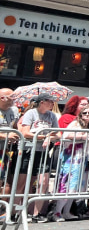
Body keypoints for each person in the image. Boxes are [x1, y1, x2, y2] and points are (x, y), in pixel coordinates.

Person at [18, 92, 61, 223]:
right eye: (50, 101)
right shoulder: (31, 113)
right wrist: (43, 136)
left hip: (43, 152)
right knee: (23, 182)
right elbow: (25, 132)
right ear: (42, 102)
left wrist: (50, 137)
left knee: (43, 182)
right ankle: (16, 212)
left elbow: (57, 133)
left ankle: (36, 214)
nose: (52, 104)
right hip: (29, 150)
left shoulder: (52, 115)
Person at [53, 103, 89, 221]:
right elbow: (66, 135)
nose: (87, 115)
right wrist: (83, 137)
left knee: (78, 187)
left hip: (83, 158)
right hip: (72, 158)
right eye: (85, 113)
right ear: (80, 114)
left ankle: (67, 211)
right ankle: (57, 212)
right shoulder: (75, 123)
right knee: (68, 185)